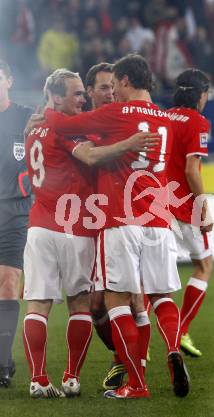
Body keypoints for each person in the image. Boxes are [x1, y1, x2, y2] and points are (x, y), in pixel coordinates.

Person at [44, 54, 189, 399]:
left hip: (120, 220)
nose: (113, 92)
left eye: (116, 85)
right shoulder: (167, 120)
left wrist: (48, 107)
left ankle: (136, 383)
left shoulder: (118, 113)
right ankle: (172, 348)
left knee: (116, 300)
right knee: (162, 295)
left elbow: (62, 125)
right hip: (159, 219)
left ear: (125, 81)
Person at [23, 68, 155, 399]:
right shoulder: (65, 131)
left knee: (37, 304)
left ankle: (38, 378)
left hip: (39, 224)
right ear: (56, 98)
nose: (82, 98)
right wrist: (129, 143)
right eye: (76, 93)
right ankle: (71, 377)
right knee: (80, 303)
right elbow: (93, 156)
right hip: (74, 227)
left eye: (84, 93)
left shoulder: (34, 129)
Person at [166, 69, 214, 358]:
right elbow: (191, 170)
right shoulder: (198, 121)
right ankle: (181, 329)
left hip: (156, 206)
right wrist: (204, 209)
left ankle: (135, 349)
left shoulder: (162, 117)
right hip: (184, 206)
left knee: (153, 278)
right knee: (204, 266)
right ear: (201, 95)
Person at [0, 59, 33, 388]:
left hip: (15, 212)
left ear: (8, 80)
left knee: (9, 282)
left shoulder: (26, 117)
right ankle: (5, 357)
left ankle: (1, 362)